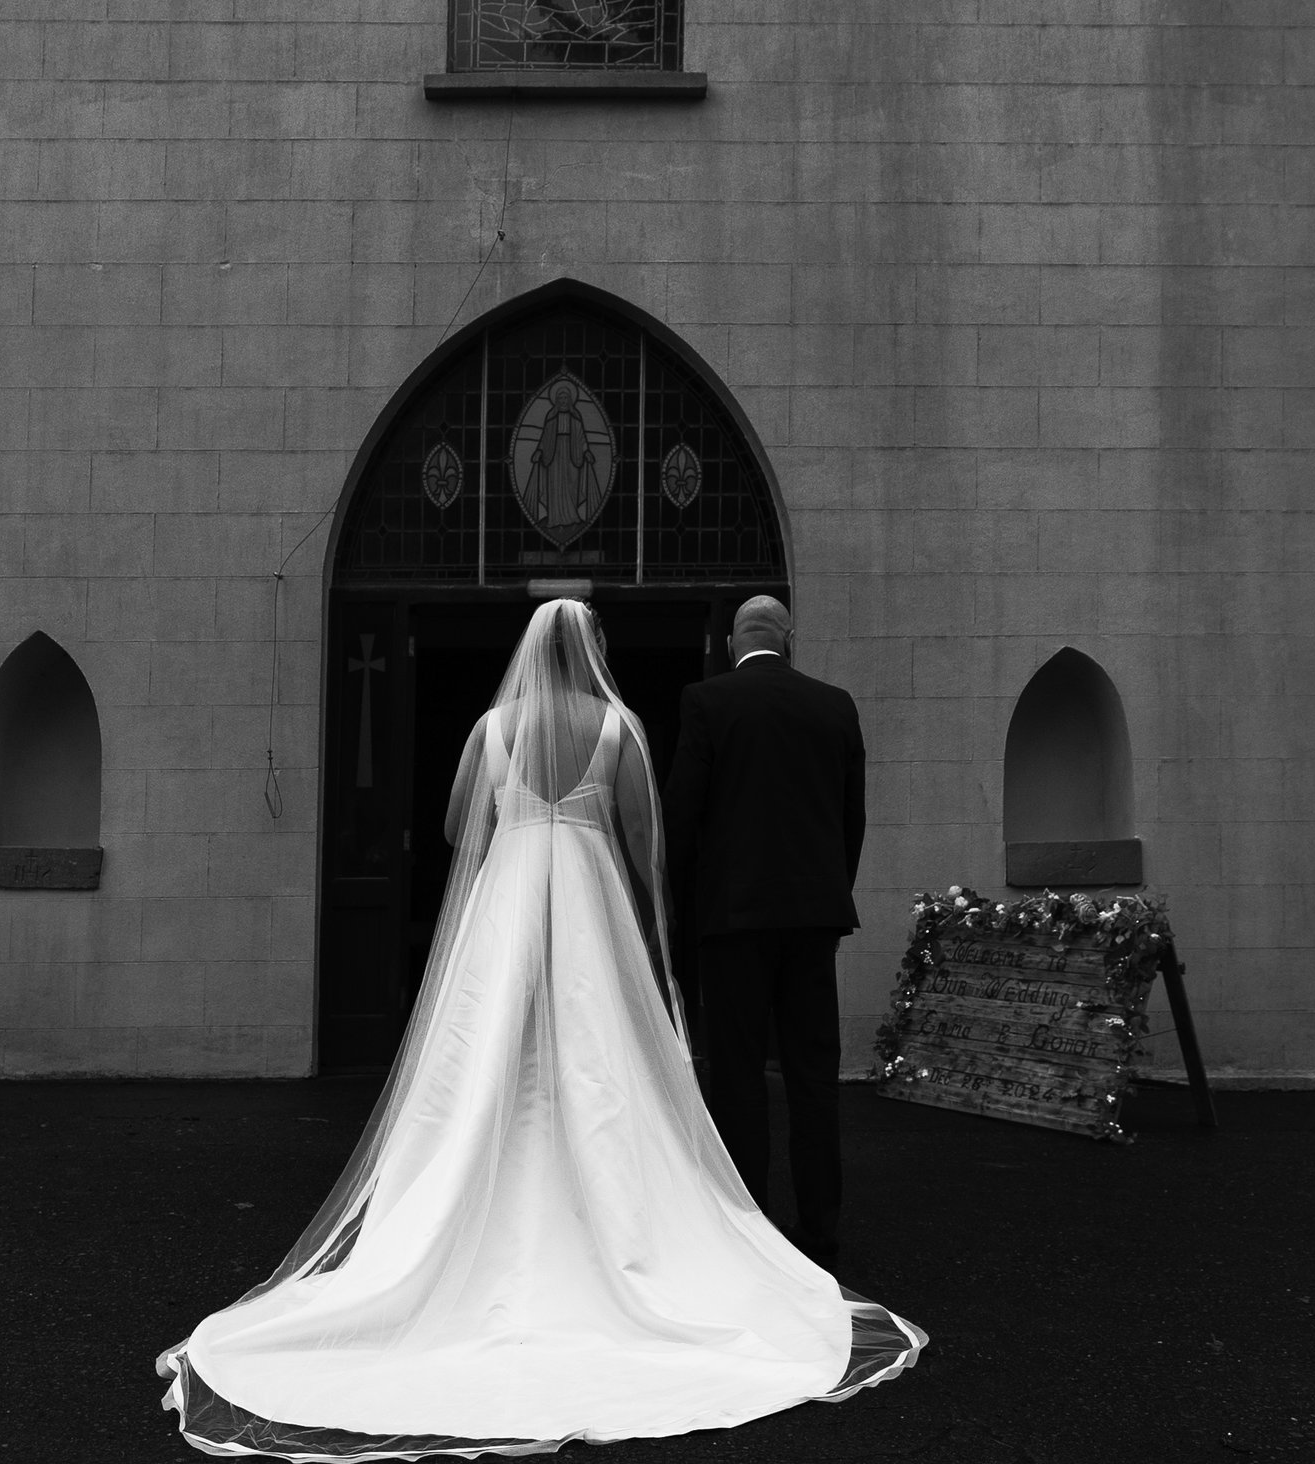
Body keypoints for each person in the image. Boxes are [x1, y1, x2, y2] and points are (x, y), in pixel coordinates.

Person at [159, 598, 921, 1457]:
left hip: (509, 899)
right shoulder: (618, 726)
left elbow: (456, 826)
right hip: (592, 899)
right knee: (604, 1058)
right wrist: (645, 915)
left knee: (490, 1055)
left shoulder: (491, 729)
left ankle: (462, 1222)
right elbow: (644, 837)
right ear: (591, 649)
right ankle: (676, 1222)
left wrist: (519, 821)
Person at [662, 594, 865, 1269]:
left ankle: (750, 1224)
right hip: (813, 916)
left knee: (739, 1074)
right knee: (813, 1074)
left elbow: (683, 814)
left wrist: (685, 905)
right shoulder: (835, 705)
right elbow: (851, 819)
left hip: (734, 918)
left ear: (730, 644)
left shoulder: (705, 701)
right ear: (790, 640)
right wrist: (830, 892)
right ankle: (821, 1226)